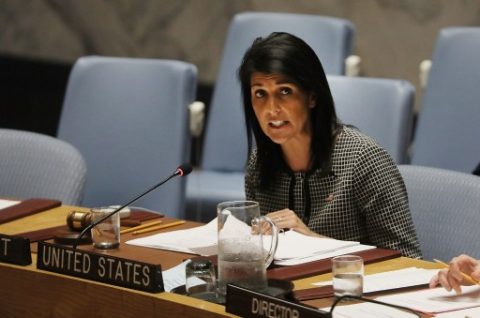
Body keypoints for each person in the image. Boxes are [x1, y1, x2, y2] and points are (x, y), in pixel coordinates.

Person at [239, 32, 422, 259]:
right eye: (260, 94)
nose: (271, 109)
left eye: (285, 91)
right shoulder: (260, 164)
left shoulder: (363, 160)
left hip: (351, 291)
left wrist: (314, 242)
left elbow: (407, 260)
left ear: (312, 96)